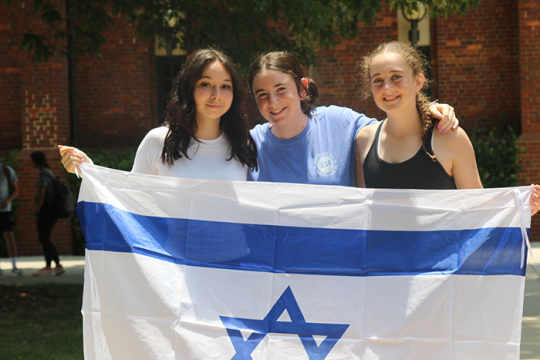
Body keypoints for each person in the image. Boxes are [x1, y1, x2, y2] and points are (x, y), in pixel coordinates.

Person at [354, 41, 540, 214]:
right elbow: (363, 213)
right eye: (377, 80)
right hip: (382, 250)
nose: (386, 87)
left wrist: (518, 210)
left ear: (418, 82)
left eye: (396, 77)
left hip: (437, 250)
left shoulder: (451, 138)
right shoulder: (364, 140)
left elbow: (478, 207)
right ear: (371, 87)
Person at [247, 51, 458, 186]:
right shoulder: (249, 145)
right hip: (278, 257)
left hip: (341, 255)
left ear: (302, 88)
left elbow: (397, 128)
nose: (273, 101)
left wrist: (427, 108)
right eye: (262, 94)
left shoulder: (341, 123)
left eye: (281, 89)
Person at [59, 48, 257, 180]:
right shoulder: (159, 141)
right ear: (189, 89)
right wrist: (89, 169)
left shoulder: (243, 145)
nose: (217, 95)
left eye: (225, 86)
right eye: (206, 84)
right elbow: (132, 198)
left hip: (231, 244)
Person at [30, 151, 65, 277]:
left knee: (44, 238)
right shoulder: (49, 173)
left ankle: (49, 266)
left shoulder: (43, 176)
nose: (30, 163)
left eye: (31, 161)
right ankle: (57, 265)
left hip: (46, 210)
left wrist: (36, 213)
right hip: (52, 210)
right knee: (45, 238)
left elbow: (41, 196)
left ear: (36, 161)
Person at [0, 162, 23, 276]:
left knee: (9, 236)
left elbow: (16, 189)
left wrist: (7, 201)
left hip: (5, 210)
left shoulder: (6, 170)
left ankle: (14, 266)